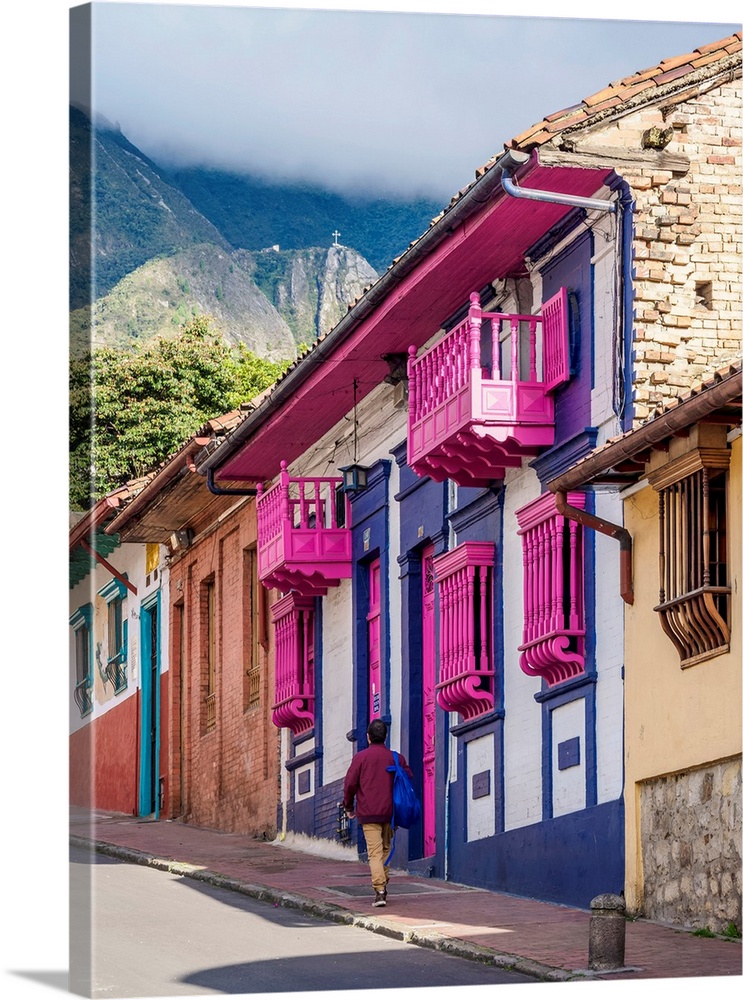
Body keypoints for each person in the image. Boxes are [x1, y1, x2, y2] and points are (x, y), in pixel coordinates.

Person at [343, 718, 413, 908]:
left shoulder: (360, 758)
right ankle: (383, 882)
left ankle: (380, 891)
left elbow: (349, 784)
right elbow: (408, 778)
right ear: (385, 737)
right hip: (390, 814)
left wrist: (348, 807)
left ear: (368, 737)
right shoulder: (397, 758)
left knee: (374, 853)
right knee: (385, 851)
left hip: (369, 813)